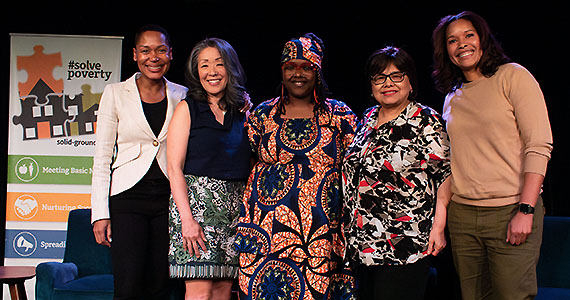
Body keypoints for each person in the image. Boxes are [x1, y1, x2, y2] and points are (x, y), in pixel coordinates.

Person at [432, 11, 553, 300]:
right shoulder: (453, 96)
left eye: (468, 35)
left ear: (483, 38)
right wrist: (442, 219)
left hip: (510, 210)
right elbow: (451, 163)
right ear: (446, 50)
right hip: (463, 217)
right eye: (452, 40)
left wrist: (526, 208)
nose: (461, 44)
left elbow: (539, 145)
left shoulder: (512, 76)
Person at [234, 33, 358, 300]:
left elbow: (354, 169)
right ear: (282, 70)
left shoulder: (339, 115)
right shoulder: (263, 114)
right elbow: (250, 161)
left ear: (318, 71)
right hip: (267, 230)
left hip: (322, 230)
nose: (297, 74)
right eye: (290, 66)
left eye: (306, 67)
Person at [342, 46, 451, 300]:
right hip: (363, 244)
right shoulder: (367, 118)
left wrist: (439, 226)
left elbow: (445, 174)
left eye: (396, 76)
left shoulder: (425, 120)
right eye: (379, 77)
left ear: (410, 82)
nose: (387, 83)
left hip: (406, 243)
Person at [91, 24, 188, 299]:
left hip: (168, 201)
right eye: (145, 51)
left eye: (160, 50)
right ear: (135, 55)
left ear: (170, 54)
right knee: (128, 284)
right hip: (127, 199)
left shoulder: (183, 95)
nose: (153, 57)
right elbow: (101, 158)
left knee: (161, 285)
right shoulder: (115, 93)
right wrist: (100, 213)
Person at [166, 37, 251, 300]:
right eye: (204, 65)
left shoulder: (243, 111)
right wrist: (187, 221)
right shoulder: (187, 108)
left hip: (234, 210)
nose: (211, 72)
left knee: (223, 291)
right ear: (196, 71)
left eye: (218, 64)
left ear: (230, 68)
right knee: (200, 291)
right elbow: (174, 167)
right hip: (196, 209)